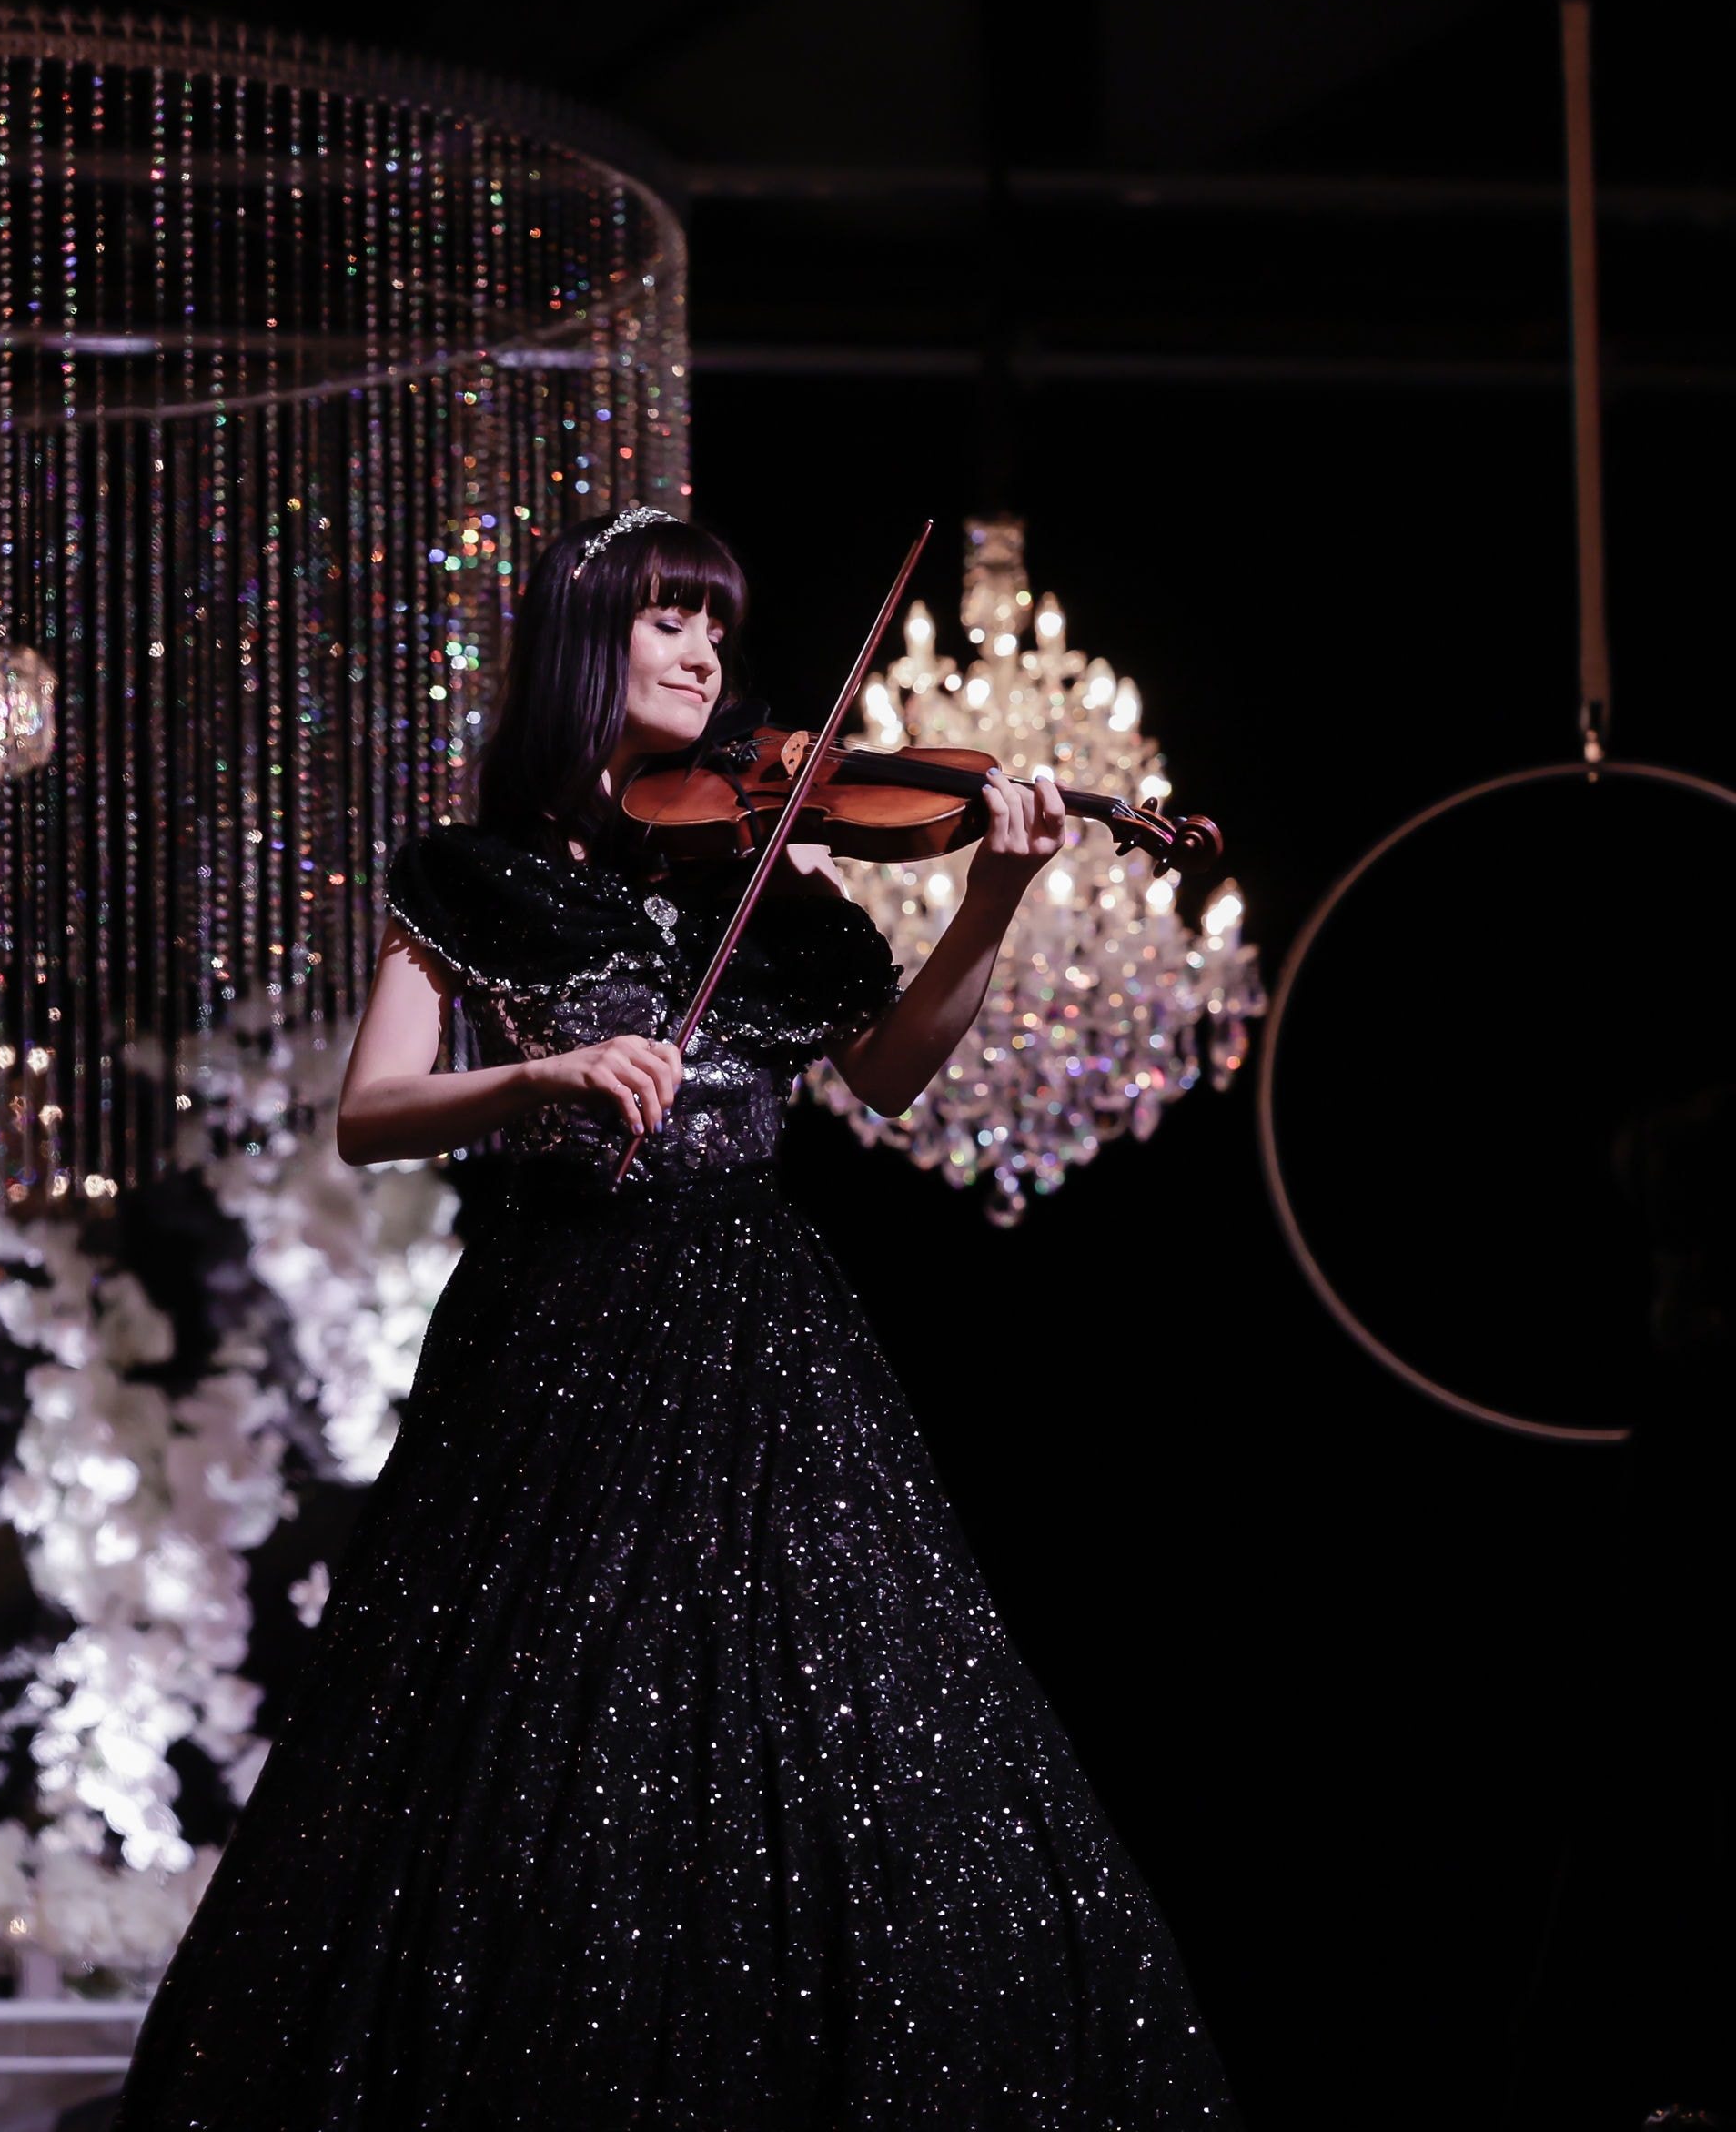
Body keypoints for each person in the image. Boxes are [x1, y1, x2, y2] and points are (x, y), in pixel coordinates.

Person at [112, 509, 1239, 2129]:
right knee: (515, 1726)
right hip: (550, 1322)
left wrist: (989, 899)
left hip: (756, 1328)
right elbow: (370, 1114)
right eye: (668, 624)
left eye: (717, 629)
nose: (708, 657)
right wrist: (542, 1075)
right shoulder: (470, 881)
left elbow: (899, 1075)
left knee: (826, 1704)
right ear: (586, 644)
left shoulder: (773, 896)